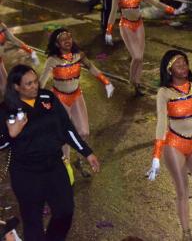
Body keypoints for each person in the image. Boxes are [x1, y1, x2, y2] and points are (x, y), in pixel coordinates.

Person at [0, 64, 100, 241]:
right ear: (16, 87)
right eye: (28, 84)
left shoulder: (48, 97)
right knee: (33, 223)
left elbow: (66, 128)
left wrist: (87, 152)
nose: (35, 86)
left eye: (35, 81)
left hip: (54, 166)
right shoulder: (7, 109)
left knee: (65, 211)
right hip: (26, 174)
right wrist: (10, 135)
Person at [146, 50, 192, 241]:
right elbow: (161, 123)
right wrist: (156, 155)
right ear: (169, 70)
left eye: (185, 63)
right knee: (183, 192)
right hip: (174, 144)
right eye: (178, 65)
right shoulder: (164, 93)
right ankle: (186, 233)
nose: (183, 68)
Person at [39, 28, 114, 176]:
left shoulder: (78, 55)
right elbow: (41, 82)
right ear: (57, 43)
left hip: (76, 95)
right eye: (63, 39)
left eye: (69, 37)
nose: (67, 41)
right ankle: (65, 166)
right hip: (60, 99)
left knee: (84, 132)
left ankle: (79, 160)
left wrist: (106, 82)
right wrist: (38, 100)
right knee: (64, 135)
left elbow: (92, 67)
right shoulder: (53, 60)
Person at [105, 0, 174, 96]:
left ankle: (137, 84)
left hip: (139, 25)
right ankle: (132, 80)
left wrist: (168, 8)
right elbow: (113, 12)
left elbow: (155, 3)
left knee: (140, 58)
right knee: (136, 56)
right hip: (126, 26)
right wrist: (108, 30)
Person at [0, 20, 39, 96]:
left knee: (6, 84)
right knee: (5, 85)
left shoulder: (2, 26)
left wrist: (30, 51)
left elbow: (13, 39)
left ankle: (8, 104)